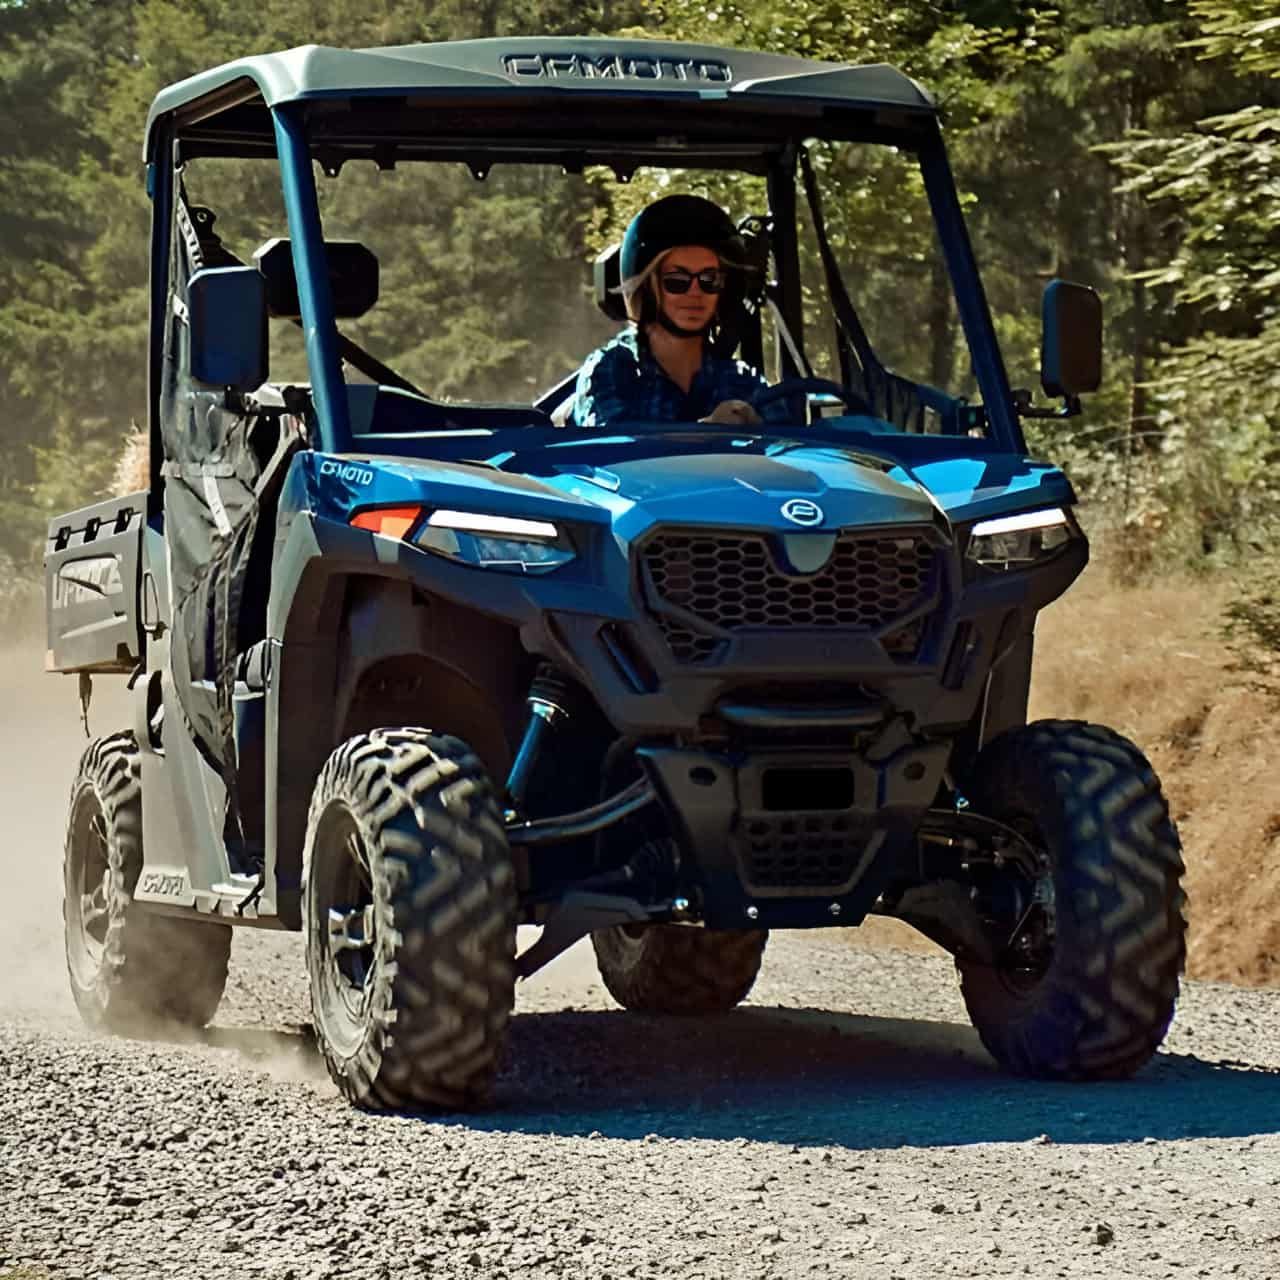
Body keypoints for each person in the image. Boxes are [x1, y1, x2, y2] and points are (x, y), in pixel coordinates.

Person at [571, 195, 778, 427]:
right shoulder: (614, 371)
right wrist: (708, 431)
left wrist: (762, 429)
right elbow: (612, 450)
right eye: (677, 280)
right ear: (647, 287)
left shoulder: (740, 381)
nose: (695, 292)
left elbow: (795, 447)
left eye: (709, 279)